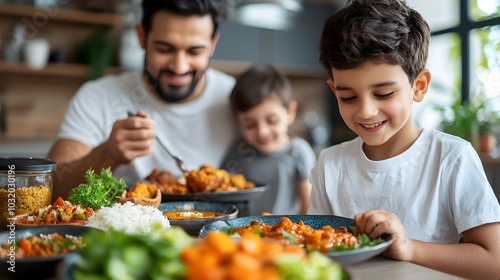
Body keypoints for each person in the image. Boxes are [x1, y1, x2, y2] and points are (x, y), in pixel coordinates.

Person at [307, 0, 500, 279]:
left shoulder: (451, 157)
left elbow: (494, 262)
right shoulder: (330, 163)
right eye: (347, 97)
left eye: (383, 94)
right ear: (333, 89)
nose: (365, 111)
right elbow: (314, 248)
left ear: (418, 86)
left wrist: (409, 249)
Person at [47, 0, 239, 199]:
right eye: (165, 49)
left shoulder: (235, 99)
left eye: (194, 51)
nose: (179, 67)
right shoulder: (98, 97)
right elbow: (50, 188)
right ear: (141, 36)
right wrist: (108, 155)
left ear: (212, 44)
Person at [221, 65, 316, 216]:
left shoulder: (298, 151)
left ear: (290, 112)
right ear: (237, 122)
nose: (262, 132)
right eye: (250, 124)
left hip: (287, 235)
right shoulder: (237, 153)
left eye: (272, 121)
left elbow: (309, 206)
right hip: (246, 234)